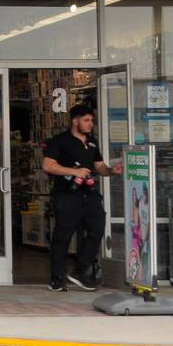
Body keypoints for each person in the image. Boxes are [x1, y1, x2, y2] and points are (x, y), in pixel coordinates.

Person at [42, 104, 123, 292]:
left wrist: (112, 170)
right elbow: (48, 165)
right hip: (67, 195)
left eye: (92, 120)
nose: (90, 124)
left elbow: (99, 166)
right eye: (86, 120)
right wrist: (74, 171)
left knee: (97, 229)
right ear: (75, 121)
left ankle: (80, 271)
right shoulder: (60, 141)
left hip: (90, 194)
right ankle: (56, 279)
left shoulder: (92, 142)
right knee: (63, 236)